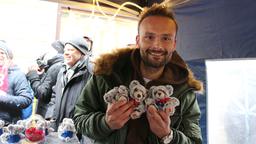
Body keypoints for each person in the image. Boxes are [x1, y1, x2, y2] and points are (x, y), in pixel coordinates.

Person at [73, 3, 203, 144]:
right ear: (138, 41)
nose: (157, 46)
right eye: (149, 37)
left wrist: (168, 135)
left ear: (174, 44)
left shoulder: (184, 91)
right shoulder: (107, 75)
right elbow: (80, 119)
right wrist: (105, 123)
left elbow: (194, 141)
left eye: (166, 38)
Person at [45, 36, 92, 131]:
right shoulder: (62, 70)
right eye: (65, 50)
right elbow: (55, 95)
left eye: (71, 50)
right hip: (58, 126)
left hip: (76, 129)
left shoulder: (89, 72)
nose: (66, 53)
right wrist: (50, 116)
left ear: (82, 53)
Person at [0, 41, 33, 124]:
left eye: (2, 53)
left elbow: (26, 100)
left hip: (7, 126)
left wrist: (3, 97)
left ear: (9, 57)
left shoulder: (17, 75)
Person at [26, 47, 64, 117]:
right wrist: (41, 76)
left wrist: (32, 75)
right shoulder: (58, 66)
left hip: (47, 114)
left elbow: (43, 94)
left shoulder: (55, 68)